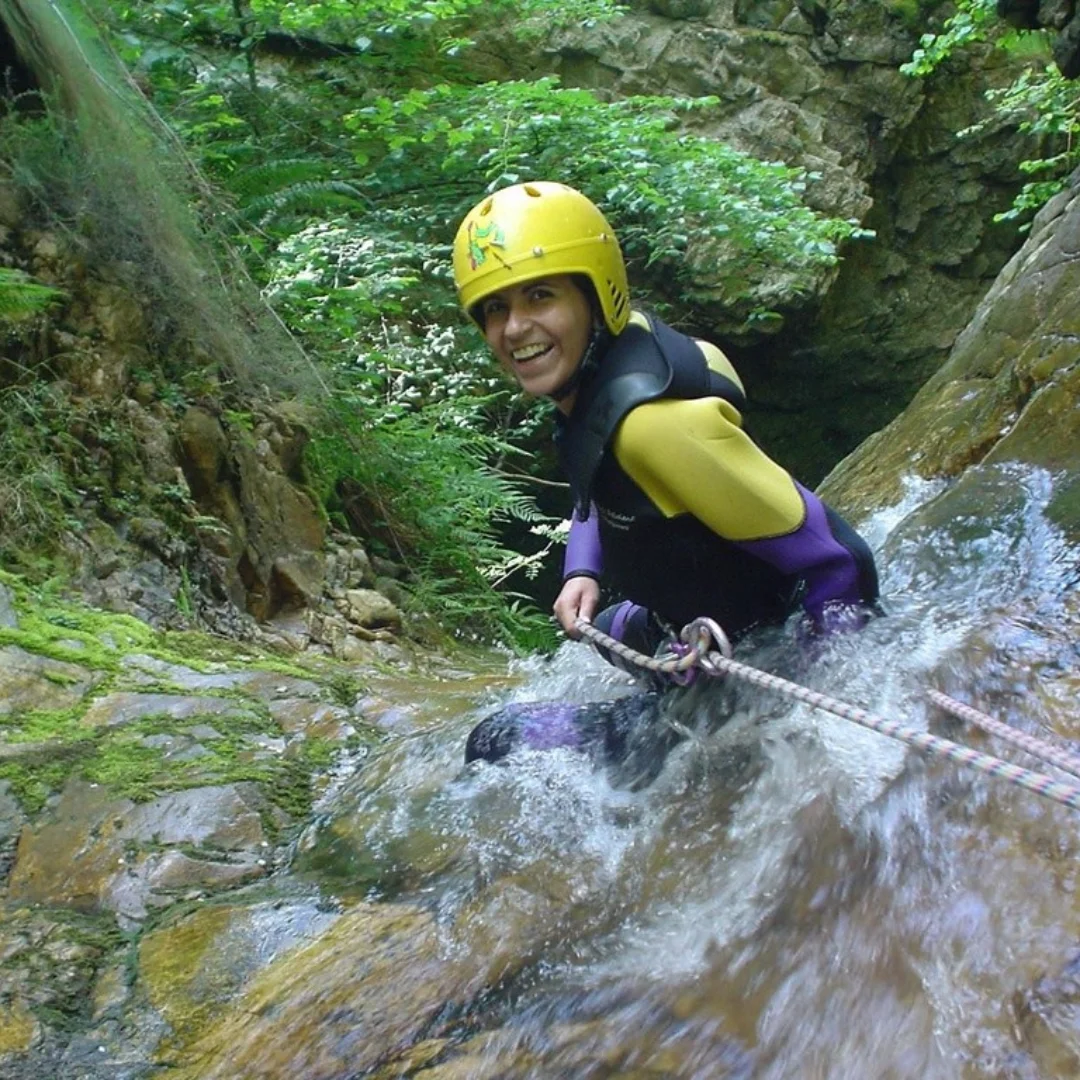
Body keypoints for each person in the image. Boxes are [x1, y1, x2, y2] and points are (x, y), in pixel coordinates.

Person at [453, 181, 879, 779]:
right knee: (603, 629)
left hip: (751, 659)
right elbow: (598, 478)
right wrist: (581, 570)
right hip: (683, 623)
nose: (515, 327)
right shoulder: (598, 373)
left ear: (595, 293)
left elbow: (840, 560)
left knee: (495, 739)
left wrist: (817, 695)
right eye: (495, 308)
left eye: (540, 296)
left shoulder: (654, 427)